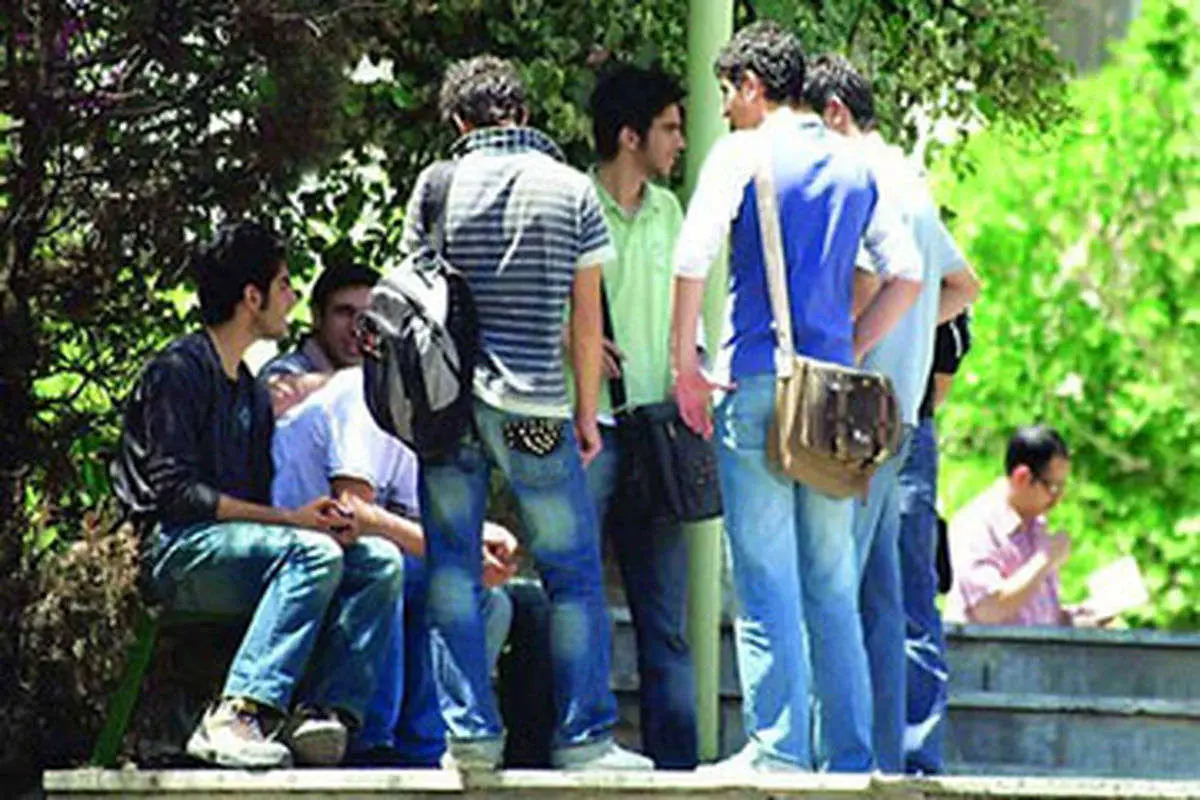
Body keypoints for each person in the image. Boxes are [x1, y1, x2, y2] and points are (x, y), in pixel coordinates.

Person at [669, 22, 922, 773]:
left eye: (728, 92)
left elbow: (692, 255)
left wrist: (686, 364)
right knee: (833, 585)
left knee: (765, 581)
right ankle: (847, 758)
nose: (725, 108)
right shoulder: (857, 162)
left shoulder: (742, 153)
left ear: (753, 85)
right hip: (833, 398)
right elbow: (906, 275)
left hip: (757, 382)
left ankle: (779, 750)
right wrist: (853, 345)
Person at [399, 55, 651, 772]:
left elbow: (413, 302)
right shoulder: (572, 188)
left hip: (448, 412)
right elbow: (586, 318)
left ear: (459, 121)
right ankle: (584, 741)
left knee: (452, 570)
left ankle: (471, 739)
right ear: (524, 113)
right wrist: (586, 415)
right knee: (572, 573)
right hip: (536, 409)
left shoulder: (436, 185)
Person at [111, 221, 404, 769]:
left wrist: (314, 519)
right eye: (285, 284)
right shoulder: (178, 370)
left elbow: (256, 500)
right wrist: (292, 522)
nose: (292, 298)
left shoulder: (247, 388)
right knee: (312, 552)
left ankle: (318, 715)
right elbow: (177, 495)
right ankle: (235, 716)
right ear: (252, 297)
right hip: (170, 550)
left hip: (238, 549)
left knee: (378, 561)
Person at [800, 53, 980, 773]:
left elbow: (875, 277)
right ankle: (890, 759)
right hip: (902, 415)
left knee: (833, 587)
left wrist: (850, 340)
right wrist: (908, 333)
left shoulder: (859, 177)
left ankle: (836, 756)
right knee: (889, 599)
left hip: (850, 408)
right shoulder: (913, 181)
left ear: (834, 113)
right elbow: (963, 287)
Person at [269, 367, 520, 766]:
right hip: (305, 551)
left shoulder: (433, 422)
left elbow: (419, 523)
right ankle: (371, 743)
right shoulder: (365, 394)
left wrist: (478, 539)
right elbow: (351, 512)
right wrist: (460, 553)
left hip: (366, 548)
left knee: (490, 600)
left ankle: (428, 746)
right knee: (390, 565)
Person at [581, 63, 697, 769]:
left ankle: (676, 768)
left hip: (656, 430)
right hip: (588, 428)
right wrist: (579, 342)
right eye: (669, 128)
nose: (680, 141)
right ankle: (583, 745)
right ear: (630, 136)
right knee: (578, 600)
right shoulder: (575, 203)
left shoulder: (671, 212)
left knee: (666, 618)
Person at [899, 311, 971, 774]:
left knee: (912, 599)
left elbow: (947, 361)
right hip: (898, 418)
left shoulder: (939, 278)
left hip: (907, 423)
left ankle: (917, 756)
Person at [946, 425, 1095, 627]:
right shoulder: (976, 524)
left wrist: (1078, 620)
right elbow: (987, 608)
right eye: (1052, 487)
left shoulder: (1037, 525)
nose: (1057, 499)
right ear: (1022, 477)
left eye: (1063, 487)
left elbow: (1034, 614)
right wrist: (1045, 559)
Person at [262, 262, 379, 416]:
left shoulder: (384, 379)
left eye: (368, 317)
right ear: (317, 316)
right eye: (344, 313)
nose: (356, 328)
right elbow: (271, 400)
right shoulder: (283, 371)